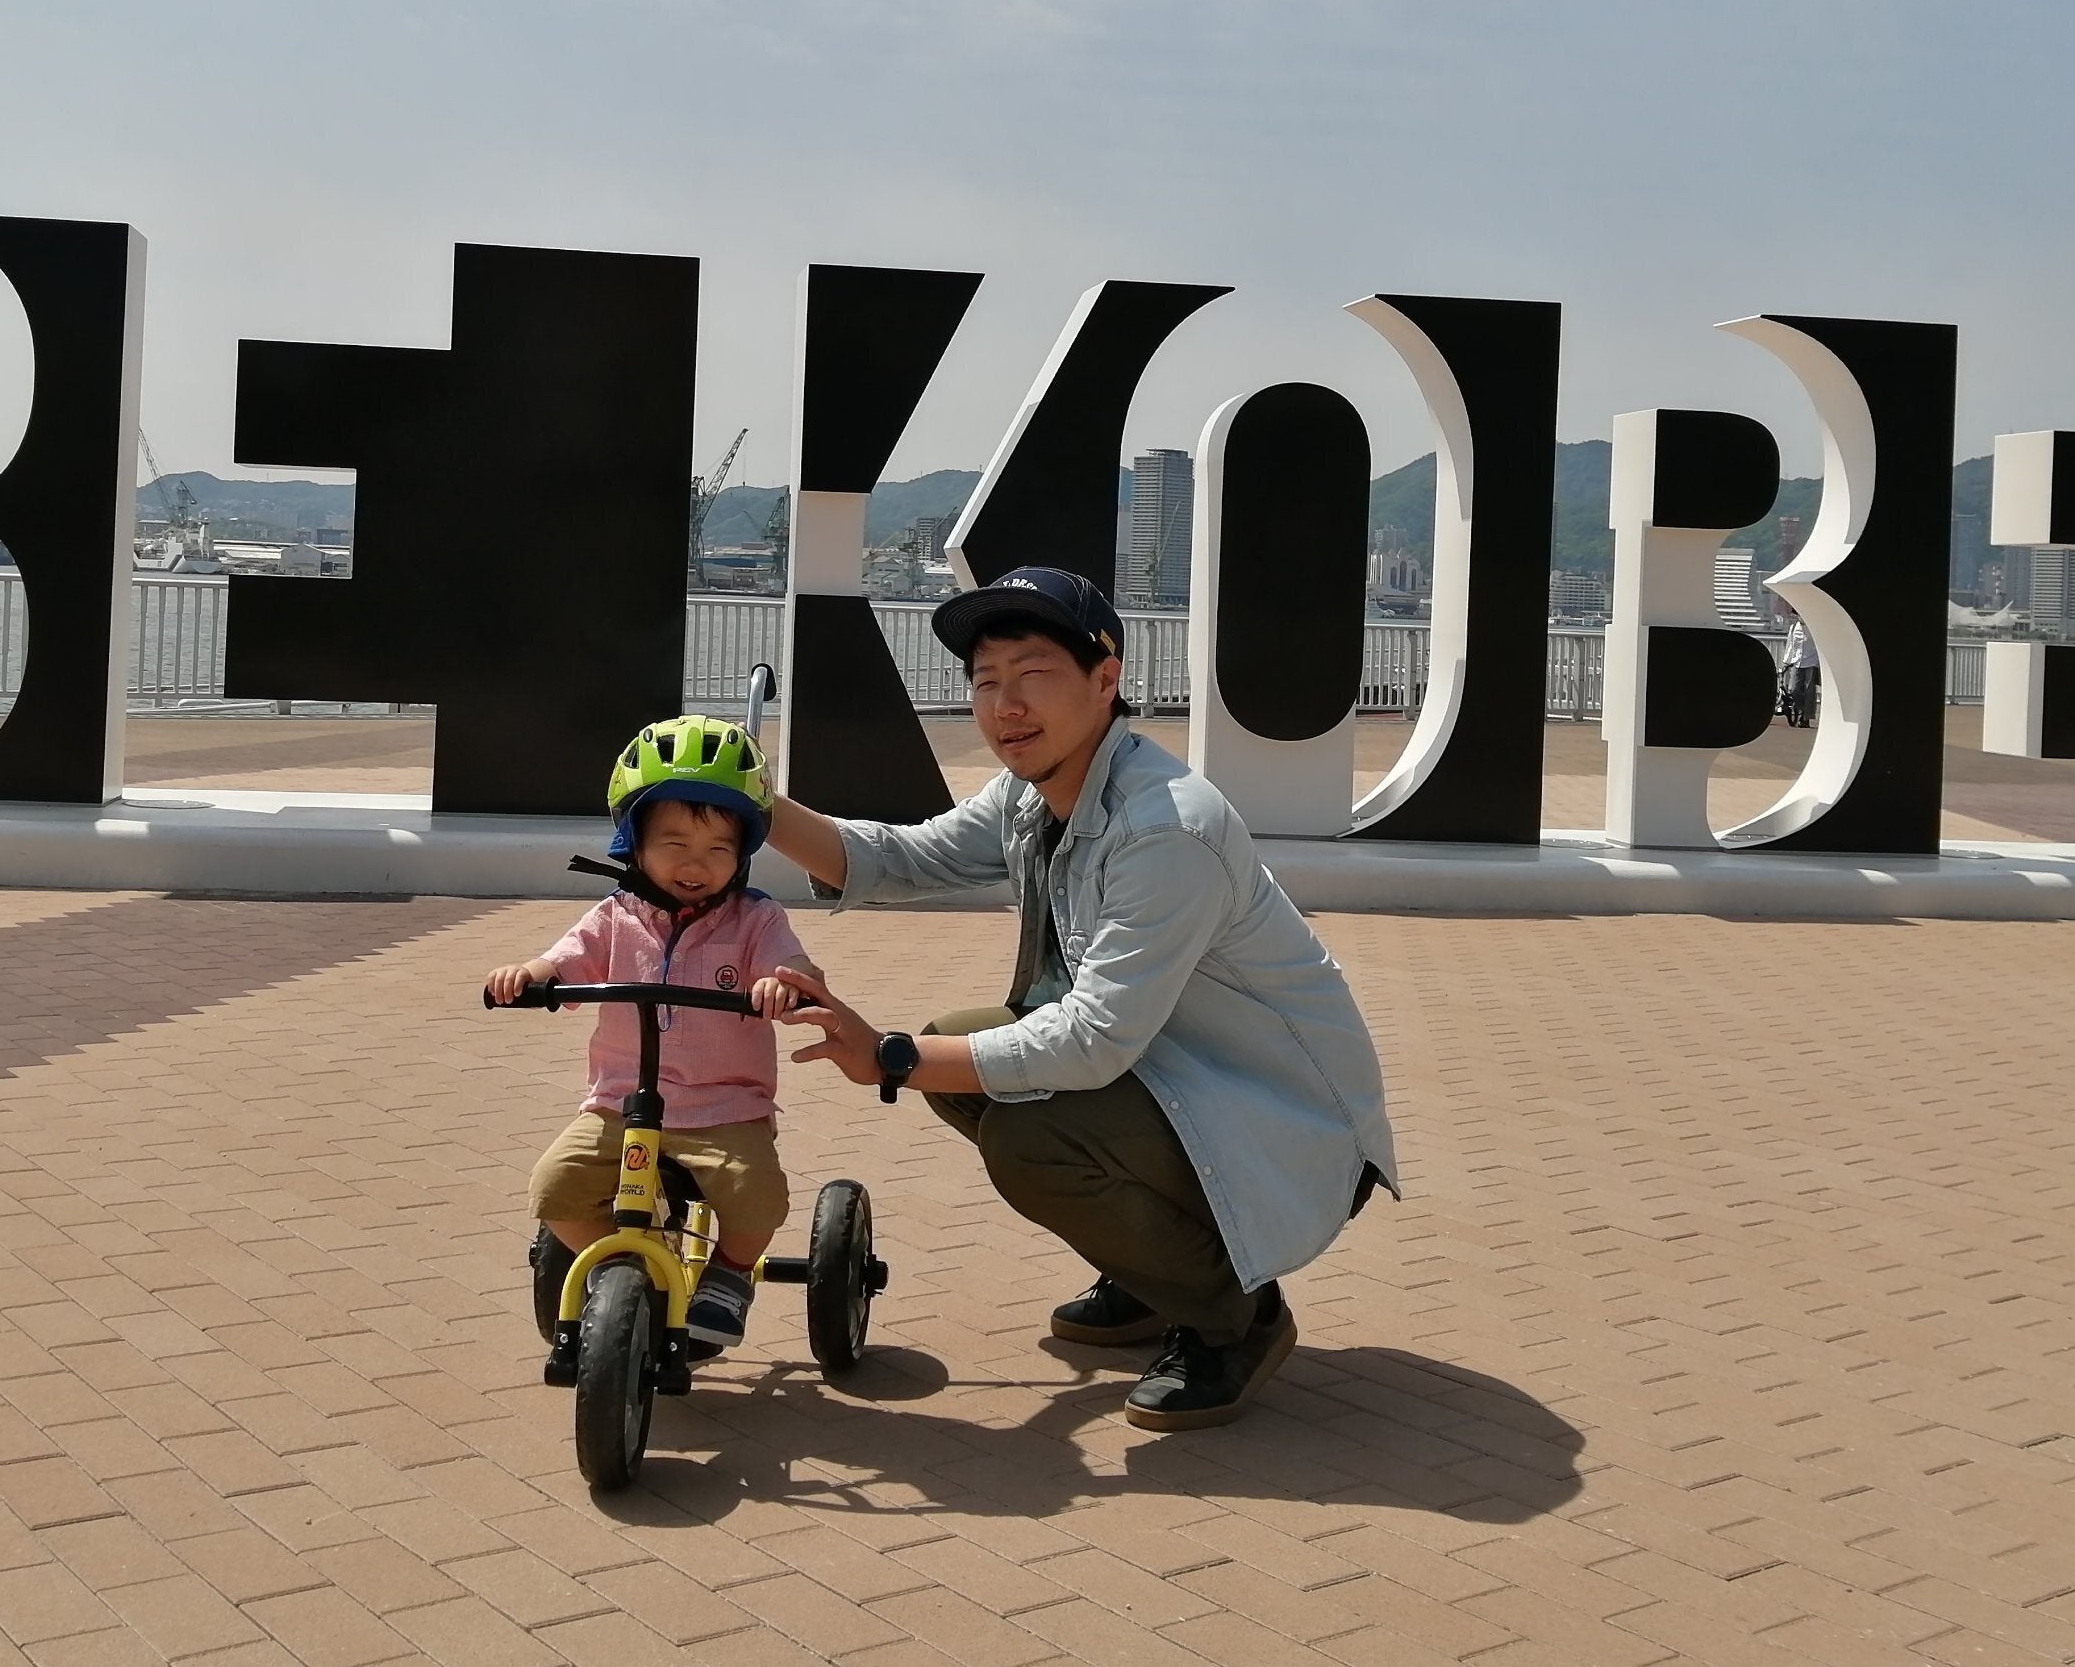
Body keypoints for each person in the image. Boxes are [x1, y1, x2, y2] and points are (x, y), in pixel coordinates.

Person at [764, 567, 1399, 1432]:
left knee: (1027, 1135)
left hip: (1277, 1121)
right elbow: (906, 858)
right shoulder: (1033, 793)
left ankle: (1234, 1316)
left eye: (1034, 674)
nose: (1006, 705)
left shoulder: (1165, 827)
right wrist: (753, 803)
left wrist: (891, 1057)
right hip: (1176, 1073)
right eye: (986, 680)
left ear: (1106, 680)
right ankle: (1154, 1273)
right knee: (962, 1052)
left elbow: (1093, 1039)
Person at [485, 717, 814, 1352]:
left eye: (718, 849)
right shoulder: (615, 916)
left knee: (758, 1198)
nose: (696, 863)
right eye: (675, 843)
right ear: (633, 842)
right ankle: (620, 1265)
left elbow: (792, 964)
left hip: (723, 1109)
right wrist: (528, 975)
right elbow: (565, 961)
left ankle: (730, 1275)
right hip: (619, 1104)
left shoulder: (756, 919)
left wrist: (785, 983)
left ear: (742, 854)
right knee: (553, 1189)